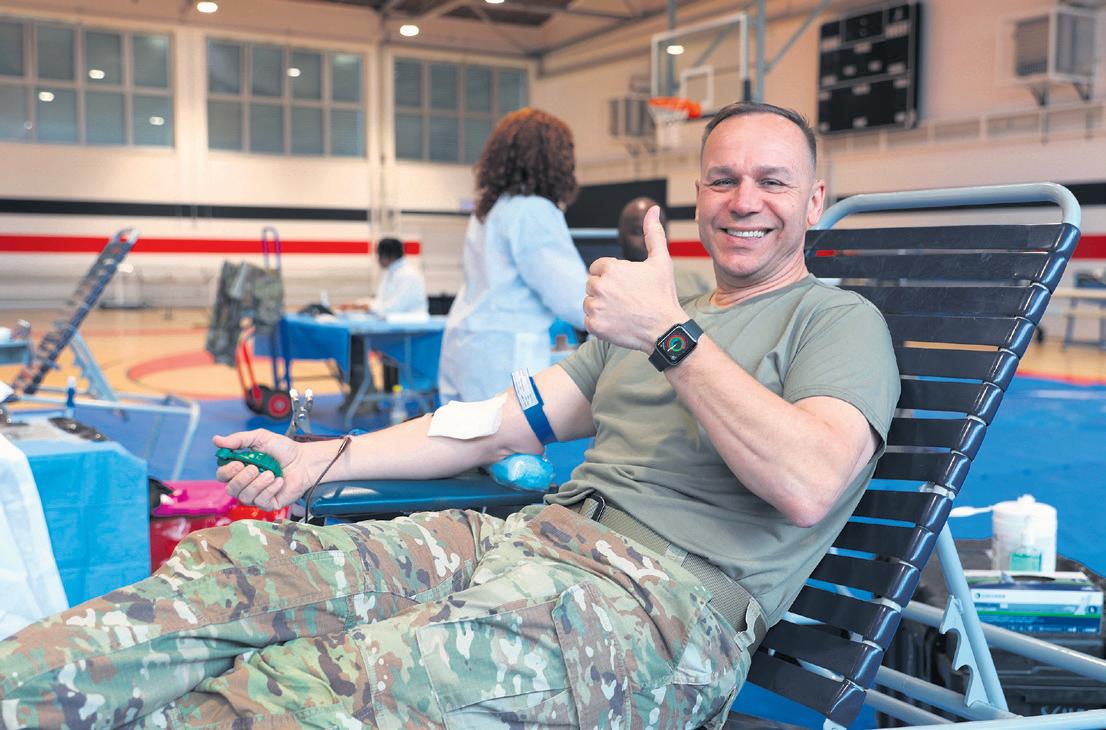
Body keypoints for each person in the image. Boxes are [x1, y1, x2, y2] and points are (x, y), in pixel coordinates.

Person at [0, 102, 899, 729]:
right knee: (232, 575)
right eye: (724, 179)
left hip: (654, 610)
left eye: (773, 181)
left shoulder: (834, 321)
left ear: (814, 200)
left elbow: (808, 482)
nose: (745, 201)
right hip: (526, 543)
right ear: (699, 194)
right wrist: (325, 456)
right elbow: (495, 423)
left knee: (316, 689)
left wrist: (669, 334)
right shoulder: (658, 319)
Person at [438, 108, 588, 403]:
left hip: (466, 343)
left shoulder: (490, 209)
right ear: (553, 160)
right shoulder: (533, 211)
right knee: (508, 432)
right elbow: (571, 297)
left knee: (468, 431)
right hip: (503, 354)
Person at [343, 237, 429, 401]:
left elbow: (391, 308)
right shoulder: (391, 273)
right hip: (393, 328)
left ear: (386, 256)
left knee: (356, 344)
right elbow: (380, 302)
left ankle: (365, 397)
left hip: (408, 332)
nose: (377, 260)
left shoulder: (408, 275)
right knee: (352, 343)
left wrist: (365, 306)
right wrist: (359, 305)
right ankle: (360, 394)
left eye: (378, 255)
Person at [618, 196, 711, 297]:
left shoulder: (694, 282)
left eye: (657, 231)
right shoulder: (609, 284)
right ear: (621, 235)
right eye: (637, 231)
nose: (648, 239)